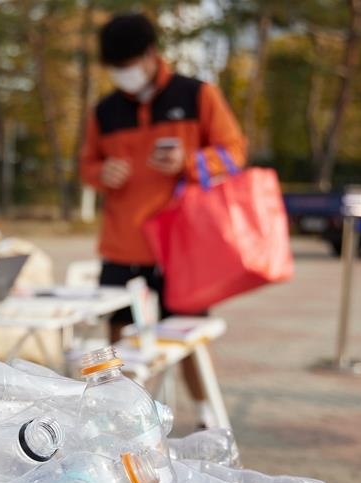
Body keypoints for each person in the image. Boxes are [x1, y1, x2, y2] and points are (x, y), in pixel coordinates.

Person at [78, 12, 247, 427]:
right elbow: (86, 165)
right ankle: (118, 423)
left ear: (151, 55)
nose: (123, 75)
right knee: (117, 348)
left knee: (190, 343)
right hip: (123, 246)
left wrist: (189, 162)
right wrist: (102, 174)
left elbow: (235, 155)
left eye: (127, 65)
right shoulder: (105, 111)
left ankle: (208, 419)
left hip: (180, 248)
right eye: (115, 68)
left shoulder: (198, 95)